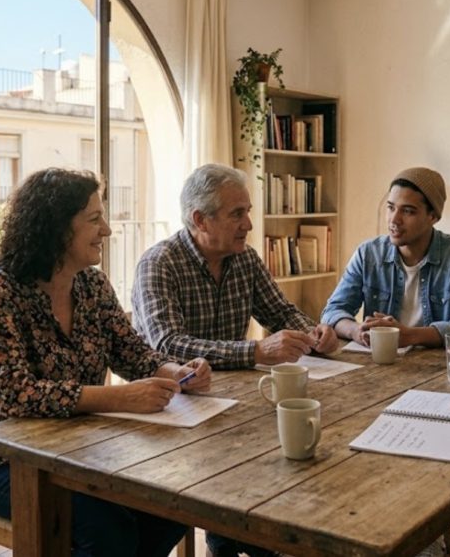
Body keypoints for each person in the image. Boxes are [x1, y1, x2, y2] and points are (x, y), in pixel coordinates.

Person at [0, 168, 211, 557]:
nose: (107, 230)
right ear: (56, 229)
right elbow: (14, 395)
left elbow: (133, 353)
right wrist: (120, 398)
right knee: (107, 528)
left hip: (81, 450)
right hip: (2, 462)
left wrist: (175, 371)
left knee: (174, 503)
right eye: (94, 219)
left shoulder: (93, 285)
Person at [131, 163, 337, 557]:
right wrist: (256, 351)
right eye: (236, 214)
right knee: (259, 470)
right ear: (199, 219)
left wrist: (314, 332)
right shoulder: (159, 263)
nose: (249, 225)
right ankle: (236, 541)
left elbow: (281, 313)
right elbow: (167, 344)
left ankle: (243, 541)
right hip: (172, 411)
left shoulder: (245, 259)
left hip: (233, 402)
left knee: (290, 465)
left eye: (248, 212)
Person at [321, 166, 450, 348]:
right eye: (391, 208)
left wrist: (411, 336)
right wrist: (356, 331)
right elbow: (333, 311)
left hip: (438, 365)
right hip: (380, 362)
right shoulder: (368, 254)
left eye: (408, 211)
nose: (394, 219)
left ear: (433, 216)